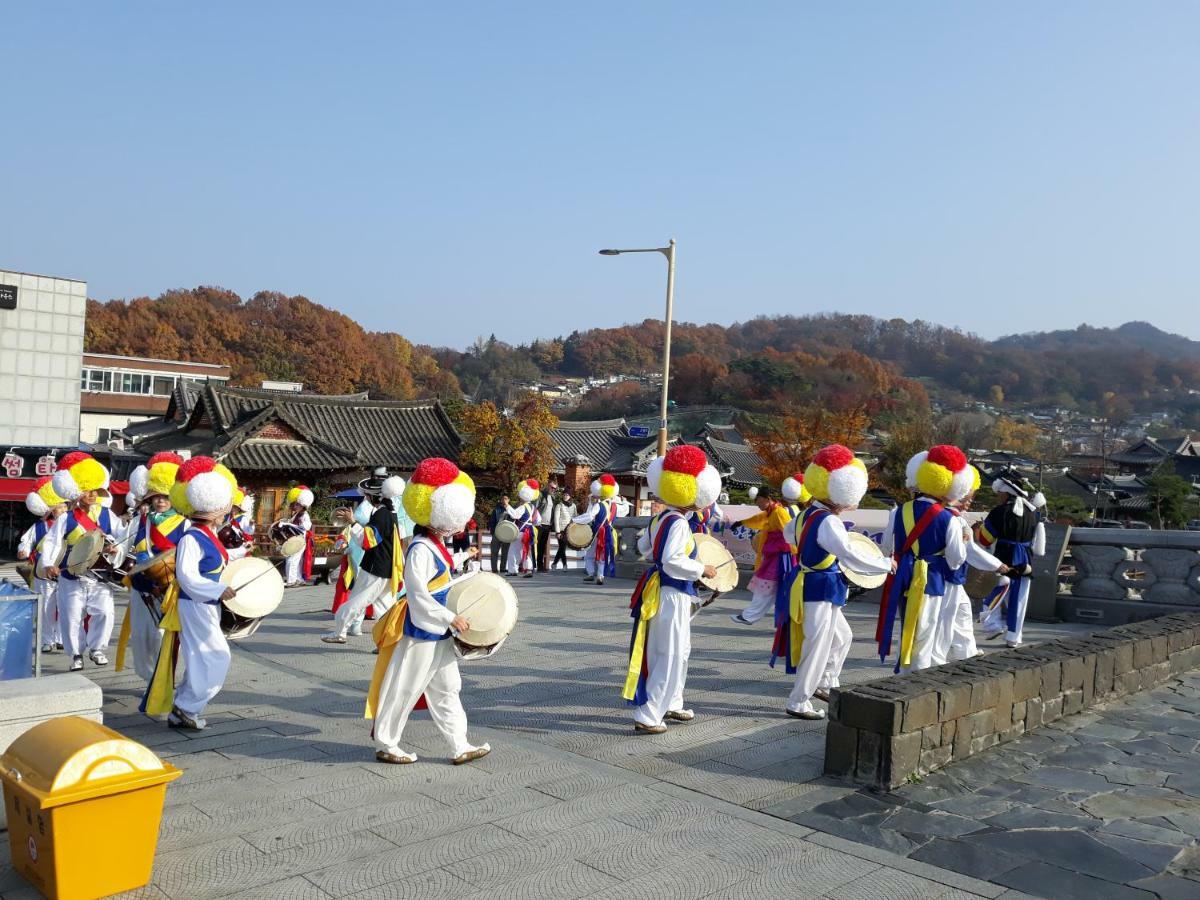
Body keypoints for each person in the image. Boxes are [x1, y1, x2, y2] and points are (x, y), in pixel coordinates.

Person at [366, 457, 491, 765]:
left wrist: (463, 561)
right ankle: (386, 742)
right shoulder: (421, 548)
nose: (458, 527)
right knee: (404, 688)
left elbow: (440, 577)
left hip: (440, 632)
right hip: (423, 630)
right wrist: (451, 617)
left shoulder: (433, 543)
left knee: (448, 688)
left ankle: (459, 744)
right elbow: (419, 594)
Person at [774, 445, 895, 719]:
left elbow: (788, 534)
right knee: (816, 646)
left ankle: (825, 682)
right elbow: (849, 555)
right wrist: (885, 564)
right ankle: (798, 700)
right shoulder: (829, 522)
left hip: (811, 582)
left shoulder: (806, 514)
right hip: (819, 588)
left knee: (842, 636)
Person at [622, 446, 720, 734]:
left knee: (677, 650)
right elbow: (671, 560)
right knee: (669, 654)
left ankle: (672, 701)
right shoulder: (677, 523)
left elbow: (642, 548)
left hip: (659, 591)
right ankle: (649, 714)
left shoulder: (660, 519)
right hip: (671, 593)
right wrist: (703, 569)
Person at [155, 456, 240, 730]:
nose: (228, 511)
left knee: (202, 656)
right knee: (215, 656)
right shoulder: (193, 537)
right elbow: (187, 576)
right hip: (196, 604)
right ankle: (186, 706)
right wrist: (218, 589)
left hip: (204, 604)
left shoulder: (205, 534)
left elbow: (212, 562)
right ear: (216, 510)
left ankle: (184, 706)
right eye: (226, 507)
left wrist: (241, 554)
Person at [877, 446, 971, 673]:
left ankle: (904, 669)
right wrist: (964, 540)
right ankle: (915, 679)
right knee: (925, 632)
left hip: (904, 576)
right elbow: (956, 559)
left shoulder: (899, 511)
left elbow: (886, 546)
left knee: (907, 625)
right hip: (932, 579)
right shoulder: (949, 518)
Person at [40, 452, 129, 672]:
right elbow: (51, 542)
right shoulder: (65, 518)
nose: (92, 494)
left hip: (99, 576)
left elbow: (124, 535)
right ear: (77, 491)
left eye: (95, 490)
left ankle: (97, 648)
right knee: (71, 617)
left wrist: (116, 548)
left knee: (105, 612)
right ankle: (76, 654)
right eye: (87, 490)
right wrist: (48, 564)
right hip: (72, 574)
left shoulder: (108, 515)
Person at [119, 452, 188, 682]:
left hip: (168, 588)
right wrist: (113, 552)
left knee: (163, 636)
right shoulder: (141, 521)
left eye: (165, 496)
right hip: (141, 587)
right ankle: (149, 677)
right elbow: (123, 544)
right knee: (141, 637)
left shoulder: (185, 523)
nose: (160, 500)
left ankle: (163, 681)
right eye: (156, 496)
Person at [324, 472, 406, 643]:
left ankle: (340, 631)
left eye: (367, 495)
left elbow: (367, 541)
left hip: (375, 567)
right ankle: (388, 641)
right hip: (386, 567)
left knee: (356, 601)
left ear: (371, 497)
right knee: (384, 607)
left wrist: (352, 522)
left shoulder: (381, 515)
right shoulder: (389, 513)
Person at [944, 466, 1009, 661]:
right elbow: (965, 553)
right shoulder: (953, 520)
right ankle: (934, 661)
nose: (968, 504)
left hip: (945, 576)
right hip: (944, 576)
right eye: (965, 499)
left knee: (962, 613)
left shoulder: (946, 516)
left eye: (970, 499)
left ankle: (967, 652)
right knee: (942, 622)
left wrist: (995, 564)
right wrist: (997, 565)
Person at [977, 470, 1047, 648]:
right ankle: (1014, 637)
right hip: (1025, 559)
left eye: (999, 493)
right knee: (1020, 597)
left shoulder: (999, 512)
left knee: (997, 591)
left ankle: (993, 625)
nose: (997, 496)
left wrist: (978, 528)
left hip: (1004, 557)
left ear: (1007, 493)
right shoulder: (1033, 513)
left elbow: (985, 539)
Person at [730, 482, 802, 626]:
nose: (757, 504)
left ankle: (752, 616)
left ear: (767, 499)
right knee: (769, 587)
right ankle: (751, 616)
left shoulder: (779, 513)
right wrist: (742, 522)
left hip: (784, 557)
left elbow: (791, 534)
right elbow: (759, 518)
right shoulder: (772, 512)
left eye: (759, 501)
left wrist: (798, 554)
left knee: (771, 587)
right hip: (776, 556)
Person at [17, 476, 68, 653]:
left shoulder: (72, 525)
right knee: (46, 607)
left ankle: (62, 638)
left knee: (65, 607)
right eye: (56, 507)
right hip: (42, 571)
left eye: (63, 506)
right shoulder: (39, 527)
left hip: (65, 571)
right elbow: (26, 541)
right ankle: (47, 640)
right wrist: (23, 549)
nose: (59, 510)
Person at [574, 474, 619, 585]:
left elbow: (589, 516)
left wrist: (575, 520)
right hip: (608, 532)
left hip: (598, 531)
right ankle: (600, 576)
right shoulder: (614, 506)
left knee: (590, 554)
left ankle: (590, 573)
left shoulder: (598, 506)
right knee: (602, 554)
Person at [505, 479, 541, 578]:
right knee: (527, 549)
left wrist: (507, 506)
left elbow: (515, 515)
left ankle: (513, 570)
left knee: (513, 550)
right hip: (530, 531)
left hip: (520, 531)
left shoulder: (523, 507)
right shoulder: (534, 508)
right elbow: (538, 520)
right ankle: (528, 569)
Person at [282, 485, 314, 587]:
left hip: (299, 541)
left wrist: (291, 525)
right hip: (296, 540)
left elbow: (307, 526)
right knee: (297, 561)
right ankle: (299, 579)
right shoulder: (297, 514)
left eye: (297, 504)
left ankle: (291, 581)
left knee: (291, 559)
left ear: (301, 505)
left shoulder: (304, 515)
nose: (294, 506)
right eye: (295, 504)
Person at [551, 490, 577, 569]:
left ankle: (554, 563)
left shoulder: (574, 506)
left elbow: (575, 517)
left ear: (570, 496)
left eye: (567, 495)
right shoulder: (559, 505)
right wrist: (558, 532)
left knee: (562, 547)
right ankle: (565, 564)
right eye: (564, 495)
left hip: (569, 530)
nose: (565, 496)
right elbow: (556, 519)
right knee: (562, 547)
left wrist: (575, 528)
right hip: (561, 530)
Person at [488, 499, 511, 573]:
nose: (504, 500)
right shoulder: (496, 510)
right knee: (494, 552)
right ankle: (494, 569)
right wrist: (493, 533)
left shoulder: (511, 510)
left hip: (506, 533)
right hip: (497, 533)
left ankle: (503, 568)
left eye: (506, 499)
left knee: (505, 552)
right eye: (503, 499)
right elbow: (492, 521)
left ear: (509, 500)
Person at [536, 485, 555, 571]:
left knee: (542, 546)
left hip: (547, 525)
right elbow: (535, 508)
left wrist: (552, 523)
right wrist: (536, 521)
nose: (553, 489)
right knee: (535, 545)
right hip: (539, 524)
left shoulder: (553, 498)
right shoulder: (541, 495)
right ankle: (529, 566)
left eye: (555, 488)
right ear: (548, 487)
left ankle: (540, 566)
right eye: (552, 487)